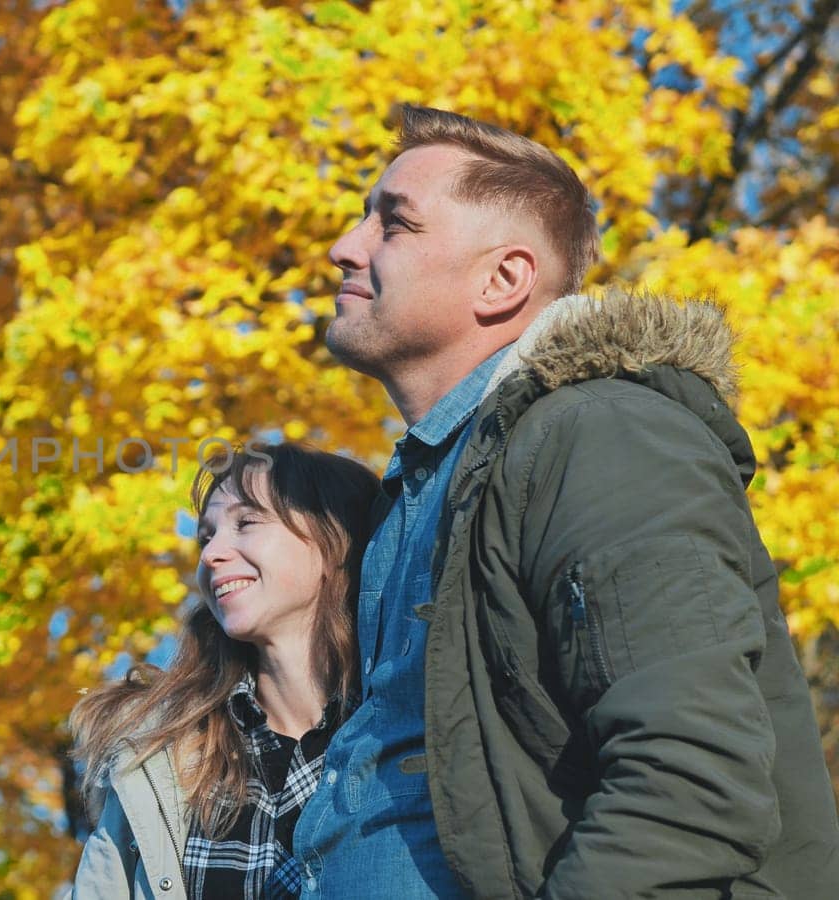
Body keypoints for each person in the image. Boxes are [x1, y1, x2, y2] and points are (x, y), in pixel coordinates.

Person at [291, 103, 839, 898]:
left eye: (394, 224)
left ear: (503, 279)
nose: (345, 248)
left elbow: (688, 787)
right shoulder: (423, 489)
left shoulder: (602, 435)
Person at [69, 442, 380, 898]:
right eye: (206, 536)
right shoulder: (156, 756)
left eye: (246, 523)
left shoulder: (405, 730)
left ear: (335, 543)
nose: (211, 554)